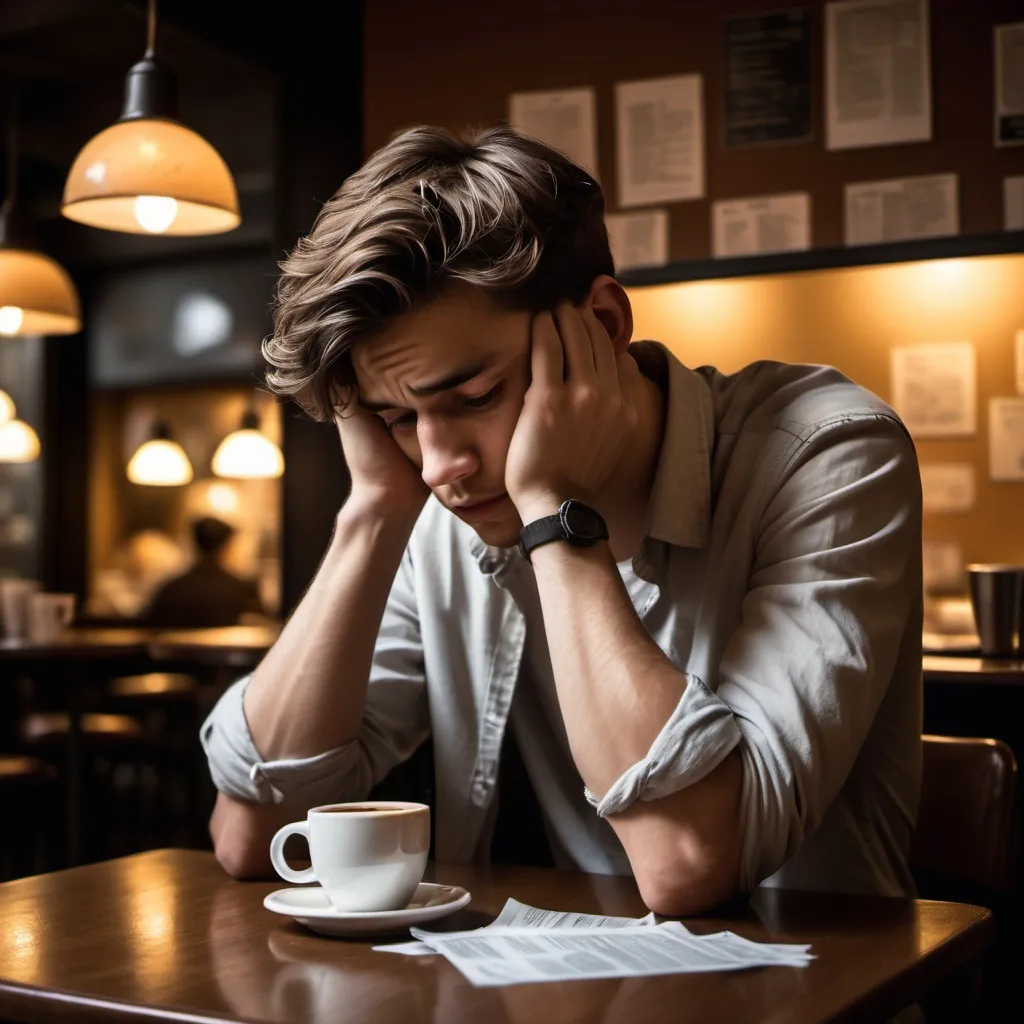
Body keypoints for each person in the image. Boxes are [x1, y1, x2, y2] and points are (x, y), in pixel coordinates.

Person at [200, 126, 922, 915]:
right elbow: (253, 829)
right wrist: (373, 511)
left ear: (604, 327)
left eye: (473, 398)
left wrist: (554, 508)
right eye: (396, 419)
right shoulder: (443, 508)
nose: (439, 466)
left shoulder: (829, 451)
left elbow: (687, 861)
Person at [142, 516, 264, 629]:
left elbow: (148, 626)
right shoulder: (241, 590)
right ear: (225, 546)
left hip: (181, 653)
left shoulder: (172, 588)